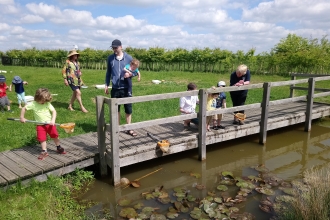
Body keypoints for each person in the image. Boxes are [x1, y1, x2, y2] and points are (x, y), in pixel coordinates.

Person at [20, 88, 66, 160]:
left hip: (50, 124)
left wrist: (53, 120)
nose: (43, 102)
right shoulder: (33, 104)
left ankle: (58, 147)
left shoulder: (47, 103)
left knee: (54, 135)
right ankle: (44, 151)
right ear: (37, 98)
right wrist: (22, 117)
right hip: (40, 125)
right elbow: (23, 109)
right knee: (42, 138)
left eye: (45, 101)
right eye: (42, 101)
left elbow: (54, 111)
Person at [104, 39, 136, 136]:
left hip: (126, 88)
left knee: (128, 108)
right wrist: (106, 84)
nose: (114, 50)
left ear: (121, 47)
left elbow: (135, 71)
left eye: (116, 47)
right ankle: (116, 128)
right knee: (115, 109)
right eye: (113, 48)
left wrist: (130, 74)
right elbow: (108, 72)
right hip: (115, 88)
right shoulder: (110, 58)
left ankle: (129, 128)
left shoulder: (128, 58)